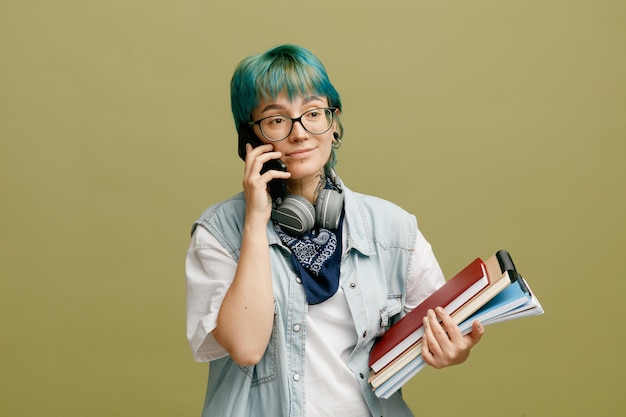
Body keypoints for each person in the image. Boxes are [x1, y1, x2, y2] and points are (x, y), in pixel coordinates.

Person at [185, 44, 485, 417]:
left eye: (313, 113)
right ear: (251, 138)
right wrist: (255, 223)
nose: (300, 133)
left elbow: (439, 331)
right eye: (277, 119)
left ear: (334, 123)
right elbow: (246, 347)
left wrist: (454, 351)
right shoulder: (219, 234)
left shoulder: (393, 230)